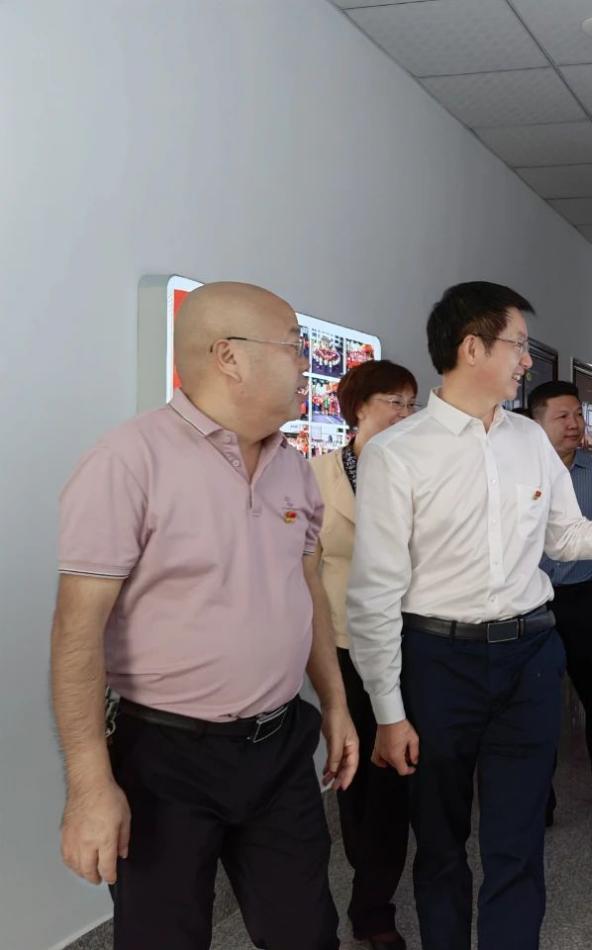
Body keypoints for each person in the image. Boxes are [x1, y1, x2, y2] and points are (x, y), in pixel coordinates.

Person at [345, 282, 592, 950]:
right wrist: (388, 713)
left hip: (530, 656)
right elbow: (373, 593)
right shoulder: (398, 452)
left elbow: (565, 538)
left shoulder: (528, 441)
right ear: (471, 348)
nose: (525, 361)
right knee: (440, 841)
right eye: (517, 345)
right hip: (438, 660)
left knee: (517, 840)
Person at [51, 282, 357, 950]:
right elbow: (77, 632)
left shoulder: (293, 468)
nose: (307, 365)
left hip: (279, 745)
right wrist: (89, 783)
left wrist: (335, 703)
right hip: (164, 757)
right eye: (294, 347)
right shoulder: (128, 461)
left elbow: (306, 591)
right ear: (229, 356)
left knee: (306, 933)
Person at [311, 359, 419, 950]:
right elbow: (305, 567)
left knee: (398, 773)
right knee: (357, 772)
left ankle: (375, 904)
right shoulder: (316, 475)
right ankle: (368, 889)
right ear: (357, 409)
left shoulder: (419, 468)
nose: (404, 413)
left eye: (410, 403)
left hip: (412, 638)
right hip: (346, 643)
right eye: (392, 402)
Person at [529, 380, 592, 818]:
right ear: (536, 422)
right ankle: (537, 800)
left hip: (585, 601)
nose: (574, 424)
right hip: (532, 604)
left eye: (578, 415)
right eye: (562, 416)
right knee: (534, 704)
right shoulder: (518, 470)